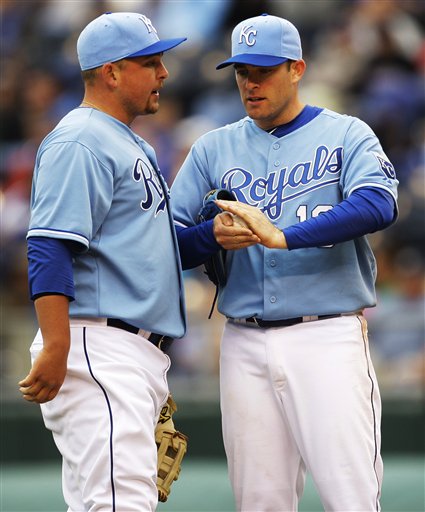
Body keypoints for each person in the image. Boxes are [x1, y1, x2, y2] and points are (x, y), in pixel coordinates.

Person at [171, 13, 399, 512]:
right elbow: (164, 243)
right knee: (259, 502)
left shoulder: (346, 133)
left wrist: (284, 237)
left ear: (297, 68)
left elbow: (379, 204)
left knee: (351, 496)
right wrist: (208, 235)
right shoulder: (213, 146)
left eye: (263, 71)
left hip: (328, 336)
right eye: (241, 73)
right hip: (243, 341)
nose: (250, 84)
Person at [18, 12, 187, 511]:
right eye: (151, 62)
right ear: (111, 72)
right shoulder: (81, 139)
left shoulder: (127, 139)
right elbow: (49, 244)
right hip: (98, 344)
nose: (164, 73)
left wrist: (214, 237)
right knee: (118, 504)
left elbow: (149, 250)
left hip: (125, 351)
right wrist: (57, 345)